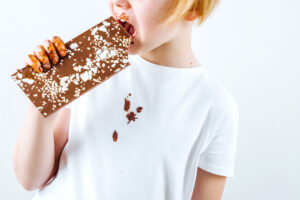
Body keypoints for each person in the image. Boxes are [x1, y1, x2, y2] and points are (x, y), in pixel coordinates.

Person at [13, 0, 239, 199]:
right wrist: (42, 105)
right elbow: (31, 179)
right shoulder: (91, 62)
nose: (118, 2)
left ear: (192, 7)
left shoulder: (216, 107)